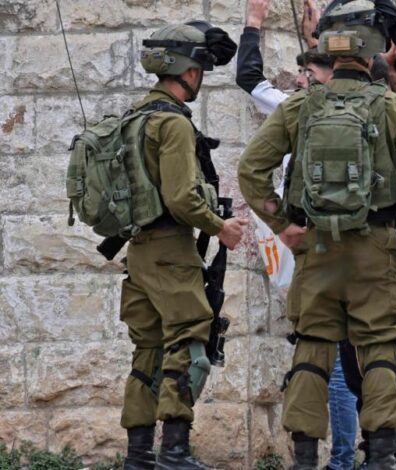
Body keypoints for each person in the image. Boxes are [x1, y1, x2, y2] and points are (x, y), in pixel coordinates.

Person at [238, 0, 396, 468]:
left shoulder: (300, 105)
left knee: (312, 348)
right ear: (373, 52)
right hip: (378, 249)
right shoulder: (392, 108)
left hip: (317, 250)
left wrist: (284, 226)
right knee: (380, 350)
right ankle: (381, 456)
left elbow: (251, 170)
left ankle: (307, 457)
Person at [236, 2, 359, 469]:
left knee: (322, 348)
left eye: (309, 71)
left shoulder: (295, 107)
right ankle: (366, 453)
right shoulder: (374, 105)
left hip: (312, 246)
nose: (303, 78)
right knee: (361, 352)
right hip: (365, 249)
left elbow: (249, 80)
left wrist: (253, 25)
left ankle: (337, 458)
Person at [121, 23, 246, 470]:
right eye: (200, 70)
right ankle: (174, 451)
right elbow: (180, 198)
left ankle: (139, 456)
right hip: (171, 250)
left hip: (139, 250)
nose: (200, 77)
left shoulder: (134, 117)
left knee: (147, 352)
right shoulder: (172, 123)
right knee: (189, 343)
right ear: (189, 72)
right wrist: (220, 227)